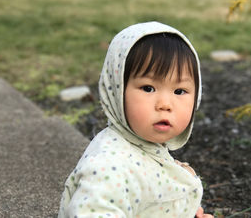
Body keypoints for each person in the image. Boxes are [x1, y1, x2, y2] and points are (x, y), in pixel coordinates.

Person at [58, 21, 213, 218]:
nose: (165, 104)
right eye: (148, 88)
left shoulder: (143, 148)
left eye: (179, 91)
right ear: (117, 90)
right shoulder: (109, 168)